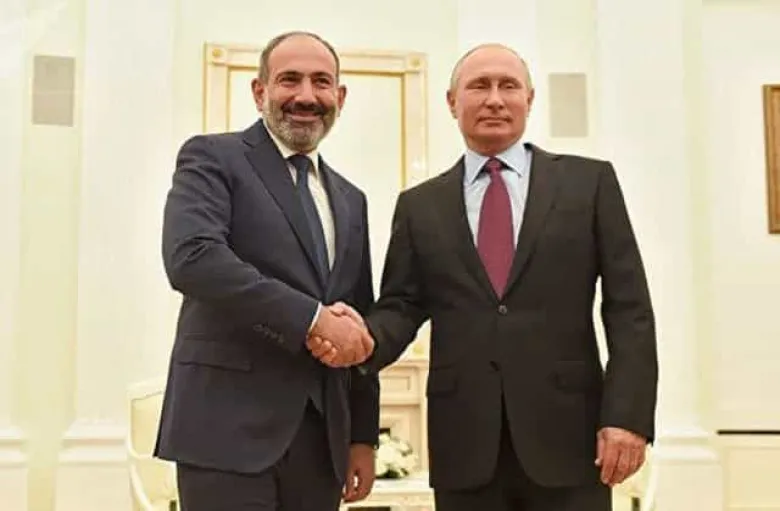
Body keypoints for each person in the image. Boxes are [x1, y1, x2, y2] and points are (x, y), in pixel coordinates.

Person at [310, 43, 658, 511]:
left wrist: (627, 416)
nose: (494, 99)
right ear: (452, 102)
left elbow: (629, 310)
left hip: (570, 441)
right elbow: (401, 306)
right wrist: (362, 338)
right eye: (479, 86)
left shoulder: (589, 184)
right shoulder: (420, 206)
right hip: (465, 444)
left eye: (508, 86)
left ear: (529, 100)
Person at [154, 31, 379, 511]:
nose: (306, 96)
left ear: (339, 97)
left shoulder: (351, 199)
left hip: (320, 444)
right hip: (224, 433)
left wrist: (362, 435)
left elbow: (355, 315)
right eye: (289, 80)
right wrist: (311, 319)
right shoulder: (213, 157)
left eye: (321, 82)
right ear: (260, 92)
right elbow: (192, 258)